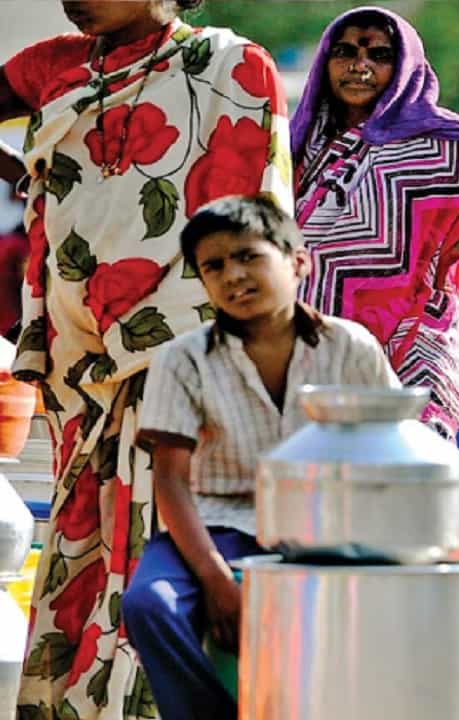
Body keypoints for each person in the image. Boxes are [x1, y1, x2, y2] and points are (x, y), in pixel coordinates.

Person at [0, 2, 291, 716]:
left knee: (174, 544)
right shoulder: (53, 66)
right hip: (83, 364)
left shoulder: (234, 66)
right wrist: (29, 169)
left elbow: (253, 219)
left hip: (187, 360)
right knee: (87, 541)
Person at [122, 195, 399, 719]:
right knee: (149, 605)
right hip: (218, 526)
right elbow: (172, 481)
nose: (233, 276)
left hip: (330, 527)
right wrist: (215, 581)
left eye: (249, 256)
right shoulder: (182, 358)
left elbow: (392, 454)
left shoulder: (351, 347)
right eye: (214, 266)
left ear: (298, 261)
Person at [291, 5, 459, 441]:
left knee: (414, 459)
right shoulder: (303, 141)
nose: (359, 66)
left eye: (378, 56)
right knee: (321, 467)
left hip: (412, 330)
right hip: (315, 331)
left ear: (404, 67)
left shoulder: (442, 142)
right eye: (344, 52)